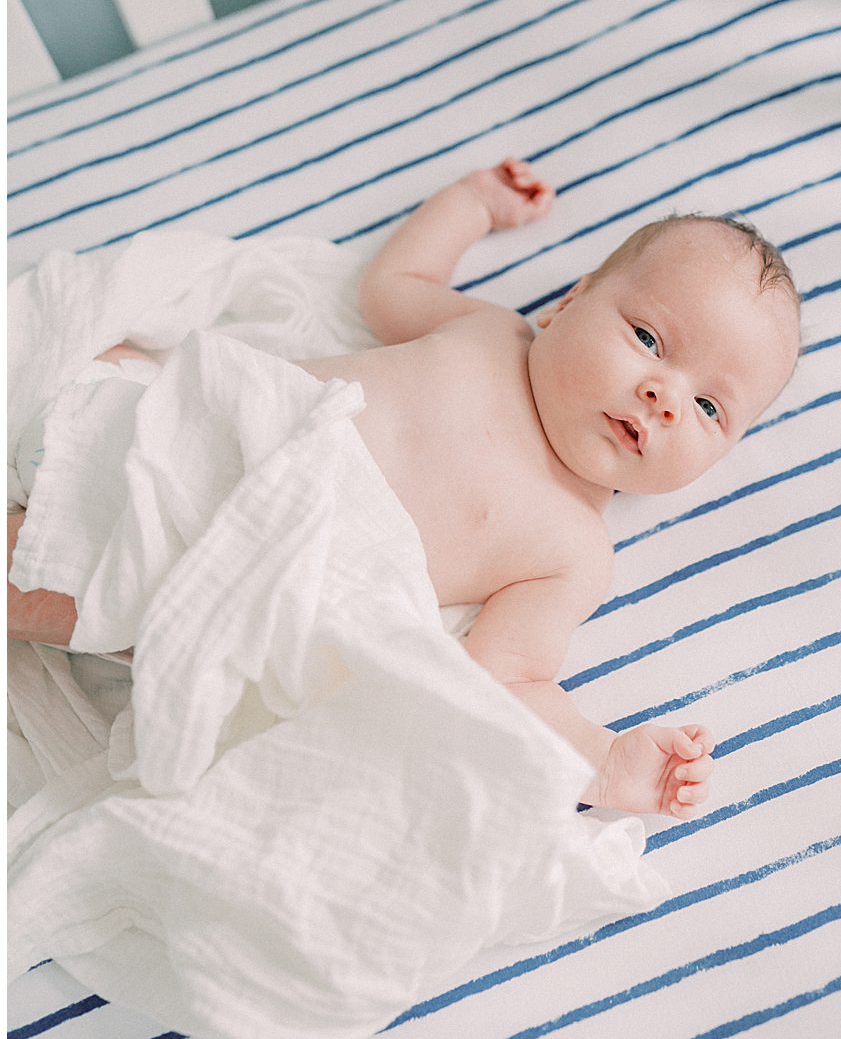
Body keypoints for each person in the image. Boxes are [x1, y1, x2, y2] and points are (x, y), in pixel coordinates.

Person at [8, 158, 800, 817]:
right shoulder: (491, 330)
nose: (665, 393)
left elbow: (508, 678)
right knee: (93, 361)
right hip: (208, 430)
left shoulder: (573, 550)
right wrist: (471, 205)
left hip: (240, 573)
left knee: (66, 583)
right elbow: (393, 281)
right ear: (569, 303)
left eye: (707, 406)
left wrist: (606, 760)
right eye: (649, 338)